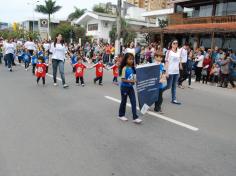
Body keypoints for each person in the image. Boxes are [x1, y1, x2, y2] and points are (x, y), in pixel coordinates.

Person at [118, 53, 142, 124]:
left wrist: (134, 81)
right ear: (126, 60)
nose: (131, 61)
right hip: (124, 88)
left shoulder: (132, 68)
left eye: (132, 59)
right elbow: (123, 79)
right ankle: (121, 115)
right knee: (124, 101)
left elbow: (132, 77)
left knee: (134, 102)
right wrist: (132, 81)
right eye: (130, 59)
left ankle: (135, 117)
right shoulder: (124, 68)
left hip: (130, 88)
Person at [163, 39, 181, 105]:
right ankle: (160, 91)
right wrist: (166, 72)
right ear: (171, 44)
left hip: (176, 71)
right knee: (168, 86)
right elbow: (166, 62)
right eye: (174, 43)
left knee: (174, 86)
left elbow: (178, 61)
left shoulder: (178, 52)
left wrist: (179, 71)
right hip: (170, 71)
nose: (175, 44)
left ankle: (174, 99)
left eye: (176, 43)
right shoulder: (168, 52)